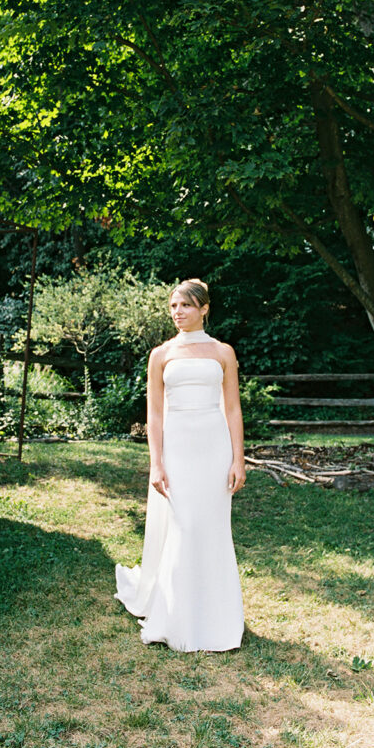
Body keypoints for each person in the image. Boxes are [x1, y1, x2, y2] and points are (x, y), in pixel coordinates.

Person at [114, 278, 245, 652]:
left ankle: (217, 616)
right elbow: (154, 416)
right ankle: (175, 617)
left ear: (204, 308)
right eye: (173, 306)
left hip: (213, 446)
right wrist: (156, 464)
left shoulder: (223, 352)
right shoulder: (161, 354)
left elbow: (233, 408)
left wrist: (238, 458)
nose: (177, 312)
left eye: (185, 305)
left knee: (212, 527)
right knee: (183, 525)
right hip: (178, 447)